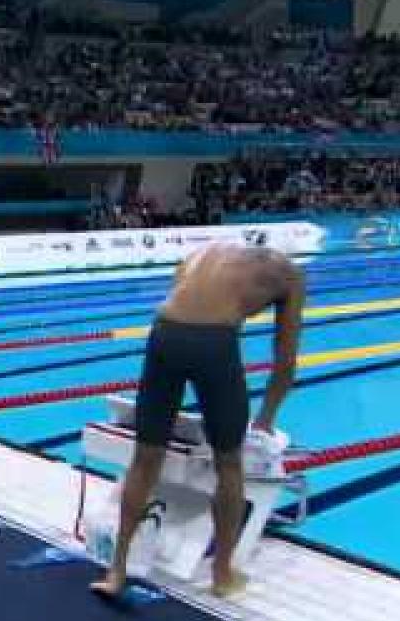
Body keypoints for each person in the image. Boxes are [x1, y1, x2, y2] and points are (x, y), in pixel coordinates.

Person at [90, 241, 305, 599]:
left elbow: (183, 303)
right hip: (213, 345)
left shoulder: (201, 254)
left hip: (163, 335)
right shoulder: (289, 274)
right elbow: (285, 360)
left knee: (144, 461)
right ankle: (222, 574)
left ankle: (117, 570)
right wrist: (266, 418)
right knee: (229, 464)